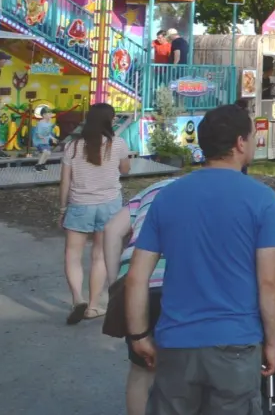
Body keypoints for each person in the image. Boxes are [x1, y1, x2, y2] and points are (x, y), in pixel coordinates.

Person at [125, 105, 275, 414]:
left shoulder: (168, 196)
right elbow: (270, 280)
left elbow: (136, 276)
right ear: (241, 143)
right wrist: (273, 342)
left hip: (176, 342)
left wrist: (139, 335)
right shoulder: (261, 199)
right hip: (236, 343)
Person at [102, 176, 179, 415]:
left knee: (141, 370)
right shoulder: (201, 193)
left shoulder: (149, 191)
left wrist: (116, 282)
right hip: (179, 282)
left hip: (137, 282)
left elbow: (112, 230)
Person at [59, 103, 130, 324]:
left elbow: (65, 182)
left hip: (80, 204)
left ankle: (77, 299)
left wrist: (62, 208)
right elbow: (125, 170)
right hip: (109, 204)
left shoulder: (72, 146)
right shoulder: (117, 144)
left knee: (73, 255)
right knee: (99, 256)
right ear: (110, 121)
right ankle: (92, 307)